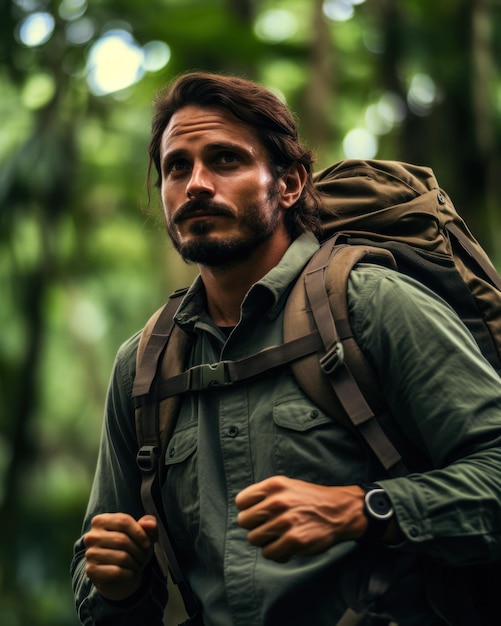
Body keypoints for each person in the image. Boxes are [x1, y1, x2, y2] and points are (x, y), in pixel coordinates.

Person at [71, 71, 501, 626]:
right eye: (178, 166)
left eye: (225, 159)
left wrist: (363, 509)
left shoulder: (371, 305)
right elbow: (97, 574)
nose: (196, 183)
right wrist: (117, 586)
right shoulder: (144, 366)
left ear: (290, 184)